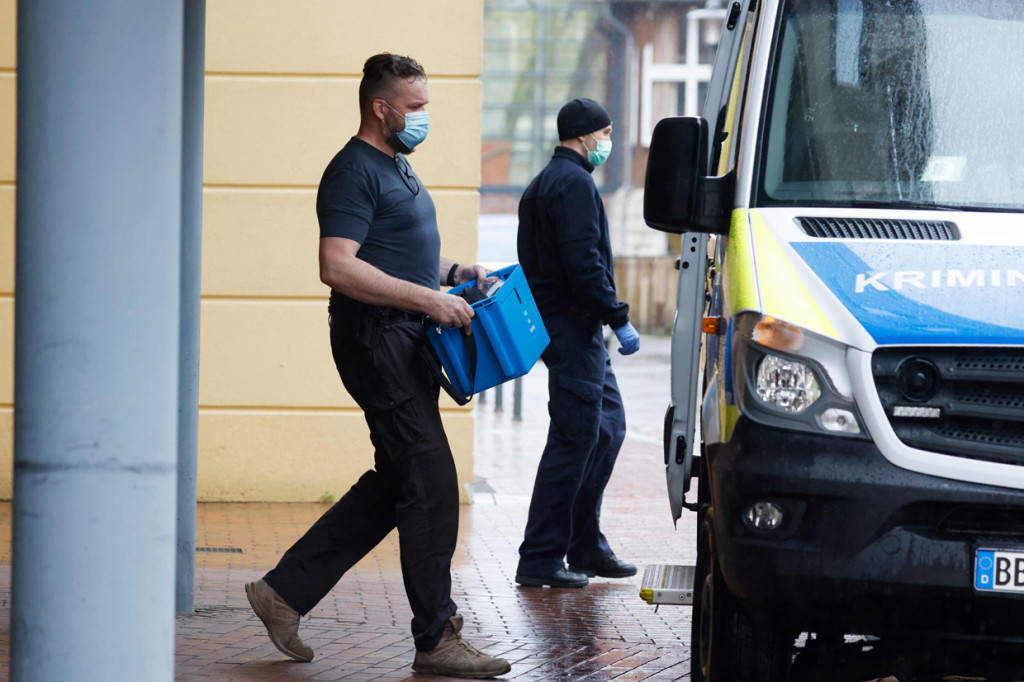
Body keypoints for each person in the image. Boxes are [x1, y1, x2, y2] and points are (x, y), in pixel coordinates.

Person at [244, 53, 511, 679]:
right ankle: (436, 638)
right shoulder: (352, 171)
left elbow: (398, 258)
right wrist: (427, 301)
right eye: (414, 107)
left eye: (426, 105)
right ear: (380, 107)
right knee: (431, 480)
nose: (423, 117)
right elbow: (337, 265)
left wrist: (453, 276)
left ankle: (283, 593)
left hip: (403, 336)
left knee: (398, 481)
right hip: (376, 341)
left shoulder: (397, 166)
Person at [514, 97, 640, 589]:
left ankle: (584, 544)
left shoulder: (543, 183)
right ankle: (541, 557)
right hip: (573, 329)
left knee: (606, 429)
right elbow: (584, 263)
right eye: (605, 133)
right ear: (586, 135)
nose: (607, 142)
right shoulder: (572, 183)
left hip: (569, 329)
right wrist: (619, 317)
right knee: (575, 439)